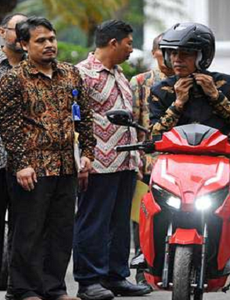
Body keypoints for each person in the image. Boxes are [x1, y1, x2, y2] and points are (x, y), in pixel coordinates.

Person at [148, 22, 230, 300]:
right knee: (151, 209)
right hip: (173, 166)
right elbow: (156, 134)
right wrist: (178, 102)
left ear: (204, 56)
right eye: (172, 53)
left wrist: (216, 97)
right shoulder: (162, 90)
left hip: (221, 165)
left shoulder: (227, 83)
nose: (177, 59)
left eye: (186, 54)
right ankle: (148, 262)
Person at [0, 16, 95, 300]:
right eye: (40, 40)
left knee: (61, 230)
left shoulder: (70, 74)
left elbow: (85, 117)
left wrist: (88, 154)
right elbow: (9, 125)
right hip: (32, 168)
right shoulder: (13, 79)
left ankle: (54, 288)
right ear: (25, 44)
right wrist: (21, 164)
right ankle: (23, 289)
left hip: (67, 165)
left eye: (51, 39)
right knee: (28, 231)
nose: (49, 45)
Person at [73, 20, 150, 300]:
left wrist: (137, 157)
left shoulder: (119, 74)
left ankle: (116, 277)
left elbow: (129, 120)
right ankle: (88, 281)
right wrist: (82, 158)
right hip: (98, 163)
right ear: (114, 43)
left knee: (119, 223)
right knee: (93, 222)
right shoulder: (81, 74)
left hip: (126, 161)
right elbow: (75, 120)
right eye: (129, 43)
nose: (132, 49)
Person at [129, 32, 174, 286]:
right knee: (143, 217)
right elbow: (133, 123)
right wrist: (135, 160)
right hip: (148, 162)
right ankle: (143, 271)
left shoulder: (192, 82)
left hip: (181, 162)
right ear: (155, 52)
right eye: (165, 51)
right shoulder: (140, 82)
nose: (171, 58)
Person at [0, 12, 27, 292]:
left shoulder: (38, 69)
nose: (21, 34)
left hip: (27, 163)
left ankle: (17, 286)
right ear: (1, 33)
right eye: (15, 29)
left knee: (25, 226)